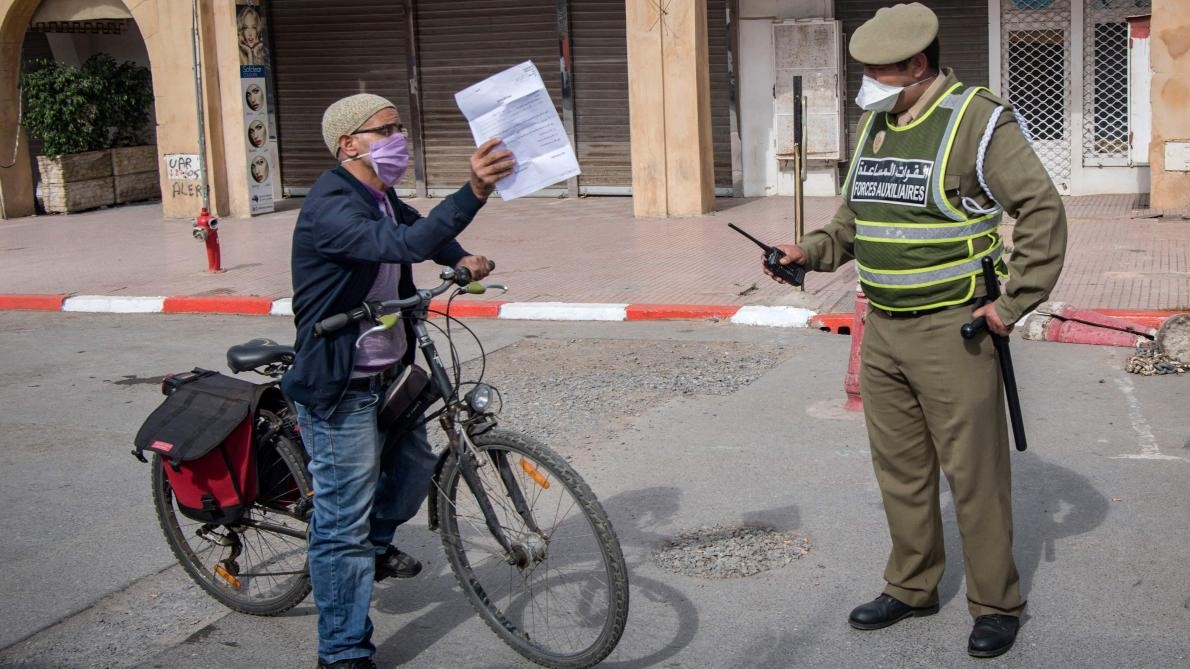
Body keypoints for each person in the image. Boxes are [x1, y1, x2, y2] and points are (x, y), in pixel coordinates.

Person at [764, 2, 1066, 659]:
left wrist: (1012, 306)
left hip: (953, 330)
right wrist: (807, 251)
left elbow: (1041, 209)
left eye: (879, 71)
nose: (866, 83)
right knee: (900, 472)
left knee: (975, 478)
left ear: (918, 65)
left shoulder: (977, 119)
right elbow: (855, 221)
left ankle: (995, 602)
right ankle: (911, 584)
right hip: (882, 328)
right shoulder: (877, 123)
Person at [282, 93, 514, 669]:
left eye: (398, 126)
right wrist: (475, 191)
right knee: (341, 523)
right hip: (340, 387)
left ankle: (376, 545)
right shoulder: (331, 205)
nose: (398, 137)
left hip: (388, 372)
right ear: (349, 145)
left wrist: (463, 257)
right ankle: (341, 650)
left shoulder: (380, 197)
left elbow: (424, 233)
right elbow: (403, 246)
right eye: (384, 129)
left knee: (413, 472)